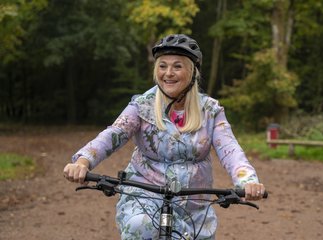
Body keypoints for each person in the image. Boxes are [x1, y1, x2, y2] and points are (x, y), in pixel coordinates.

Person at [63, 34, 266, 240]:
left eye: (177, 66)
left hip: (194, 204)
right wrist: (83, 161)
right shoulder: (143, 105)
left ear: (192, 72)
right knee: (139, 226)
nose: (168, 73)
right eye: (162, 66)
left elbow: (230, 150)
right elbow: (113, 134)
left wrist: (247, 181)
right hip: (144, 196)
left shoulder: (210, 110)